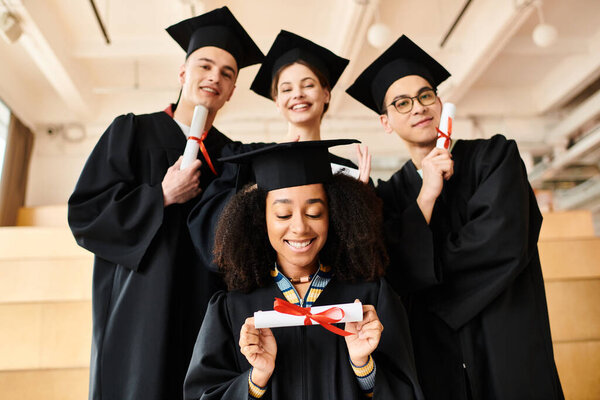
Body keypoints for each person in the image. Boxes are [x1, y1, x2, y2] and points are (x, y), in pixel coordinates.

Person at [346, 35, 564, 400]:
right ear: (386, 122)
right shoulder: (388, 197)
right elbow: (391, 275)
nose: (418, 107)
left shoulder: (494, 159)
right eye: (402, 103)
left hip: (506, 344)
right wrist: (427, 195)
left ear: (440, 101)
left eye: (425, 95)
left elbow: (504, 245)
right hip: (437, 365)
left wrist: (425, 278)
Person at [67, 7, 264, 400]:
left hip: (206, 311)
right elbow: (85, 214)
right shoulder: (133, 131)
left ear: (232, 90)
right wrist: (161, 196)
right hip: (143, 307)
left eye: (227, 73)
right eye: (205, 66)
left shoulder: (230, 156)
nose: (215, 77)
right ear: (182, 73)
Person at [184, 140, 424, 400]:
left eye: (314, 212)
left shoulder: (369, 300)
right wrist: (256, 380)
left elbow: (407, 392)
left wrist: (362, 365)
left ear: (333, 214)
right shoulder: (232, 309)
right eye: (283, 215)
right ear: (260, 219)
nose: (299, 227)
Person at [188, 30, 370, 273]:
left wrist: (361, 201)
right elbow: (213, 233)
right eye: (286, 89)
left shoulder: (346, 169)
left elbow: (359, 249)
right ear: (276, 101)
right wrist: (260, 184)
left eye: (308, 85)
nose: (297, 94)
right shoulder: (247, 159)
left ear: (326, 94)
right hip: (263, 292)